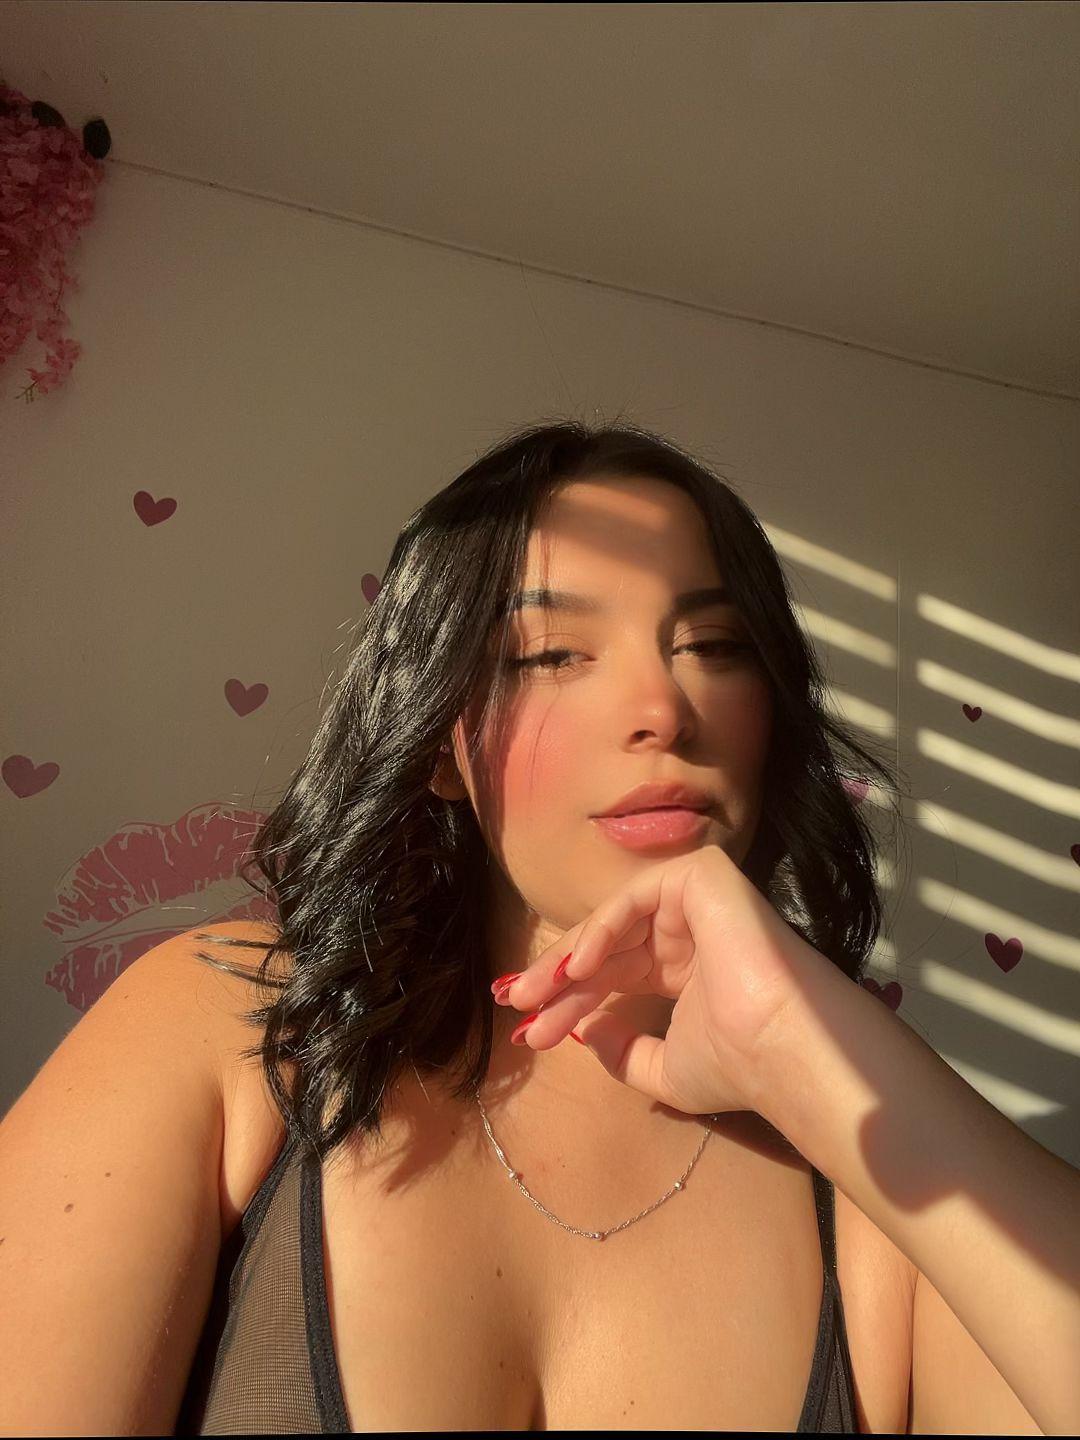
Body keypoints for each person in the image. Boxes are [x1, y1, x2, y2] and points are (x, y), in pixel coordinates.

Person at [1, 420, 918, 1434]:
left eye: (715, 646)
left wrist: (843, 1056)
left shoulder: (875, 1154)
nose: (665, 706)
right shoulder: (224, 1028)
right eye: (552, 653)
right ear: (442, 742)